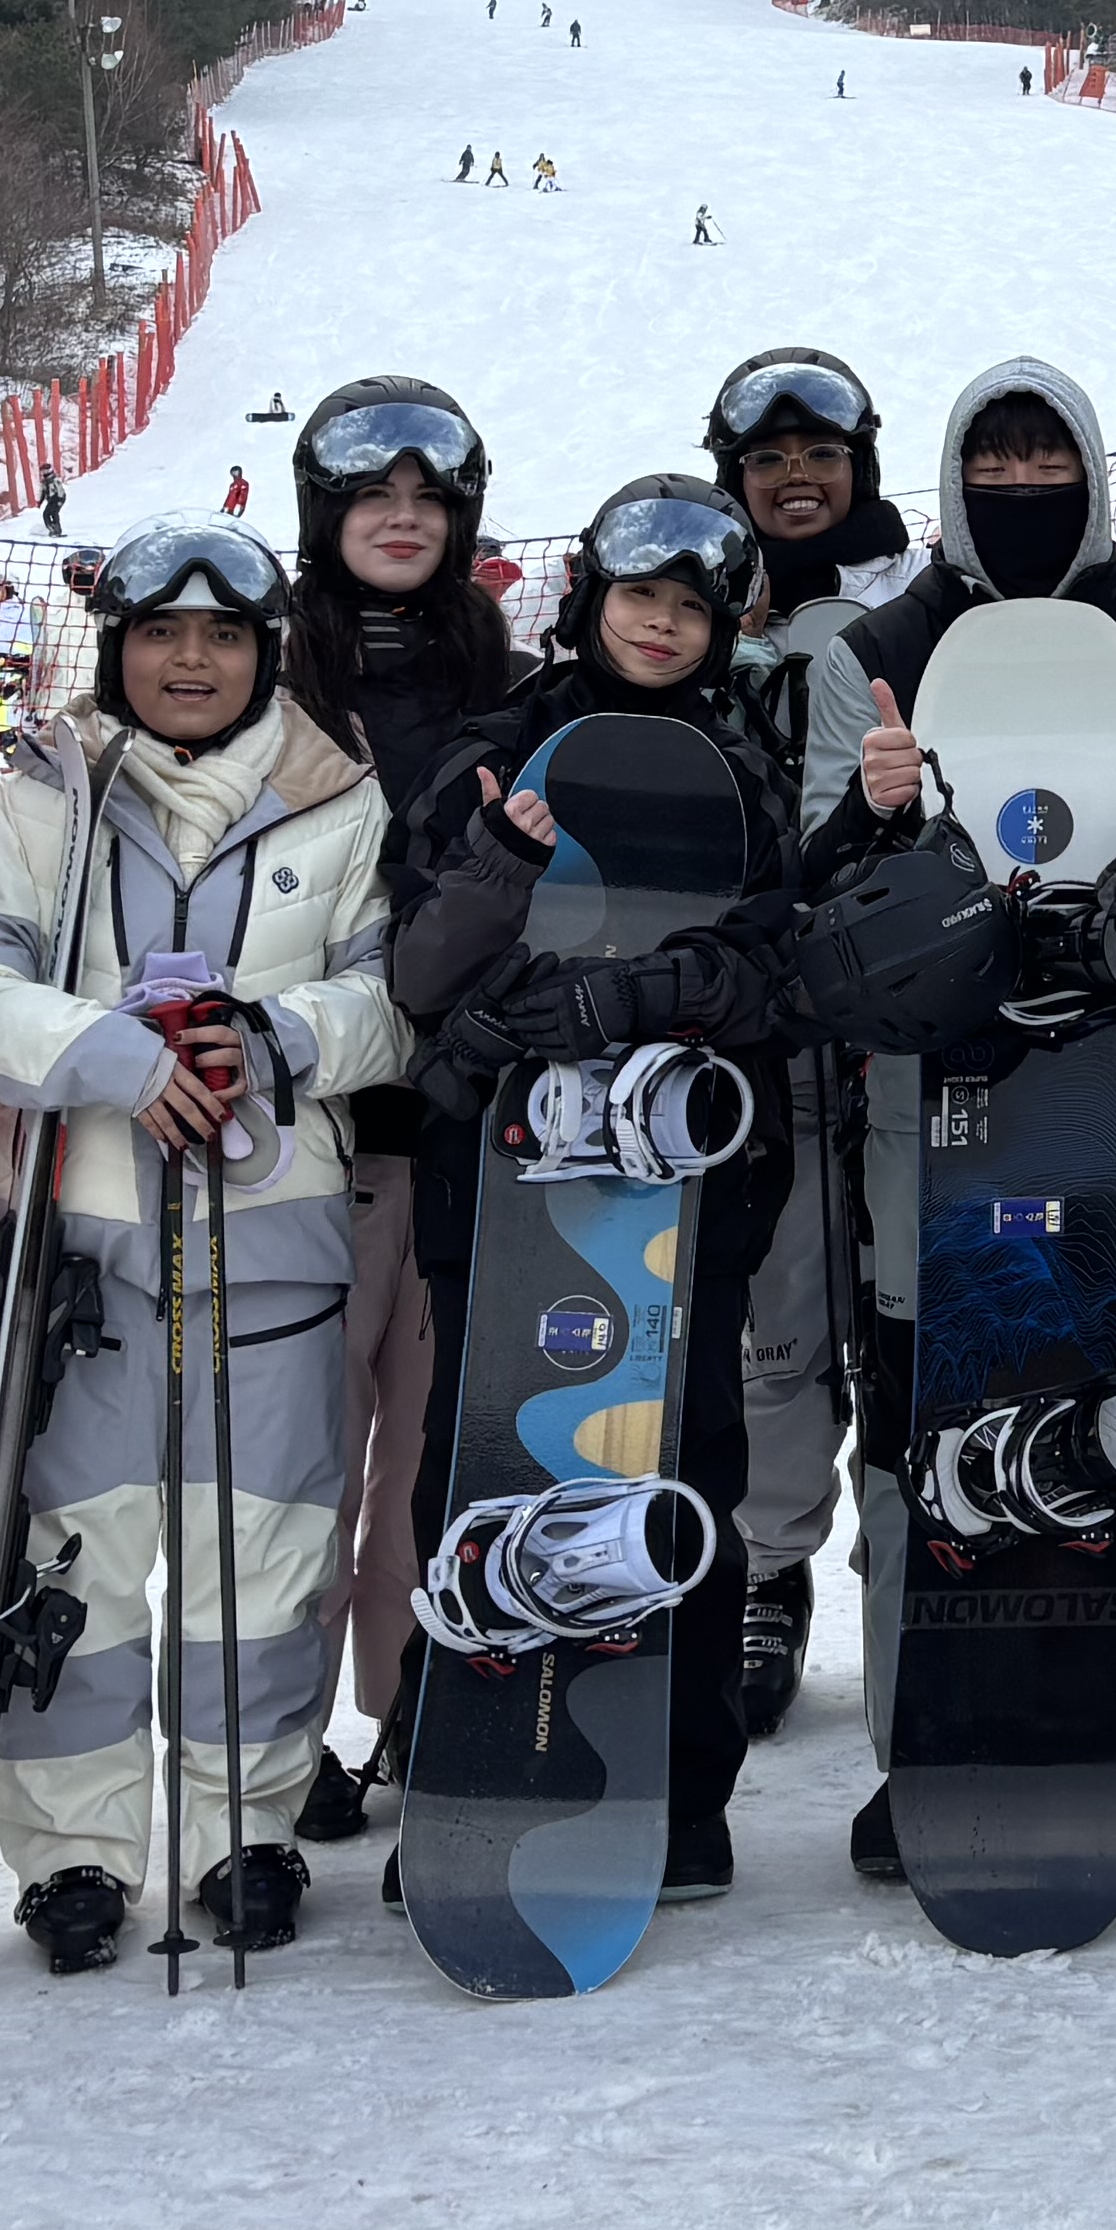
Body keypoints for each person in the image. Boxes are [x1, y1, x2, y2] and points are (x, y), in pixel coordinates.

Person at [0, 519, 401, 1969]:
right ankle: (75, 1850)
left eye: (221, 637)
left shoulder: (337, 794)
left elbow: (386, 1000)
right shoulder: (48, 792)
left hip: (269, 1235)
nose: (189, 662)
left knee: (261, 1564)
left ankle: (240, 1831)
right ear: (120, 649)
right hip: (84, 1238)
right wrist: (107, 1056)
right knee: (78, 1554)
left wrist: (274, 1036)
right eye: (159, 635)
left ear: (266, 651)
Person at [812, 360, 1116, 1880]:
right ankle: (918, 1738)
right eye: (988, 467)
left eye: (1042, 462)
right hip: (928, 1101)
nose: (1016, 491)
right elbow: (813, 900)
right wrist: (867, 813)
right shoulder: (877, 652)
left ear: (1090, 472)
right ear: (948, 481)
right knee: (927, 1412)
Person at [381, 481, 811, 1892]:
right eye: (643, 599)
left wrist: (672, 987)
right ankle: (465, 1758)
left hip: (687, 1182)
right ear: (590, 596)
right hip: (511, 1184)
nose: (664, 627)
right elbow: (420, 971)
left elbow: (781, 965)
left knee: (681, 1463)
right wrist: (506, 878)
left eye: (692, 608)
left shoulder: (746, 766)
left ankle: (676, 1795)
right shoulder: (498, 748)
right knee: (486, 1454)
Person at [271, 378, 522, 1833]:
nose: (404, 523)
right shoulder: (271, 672)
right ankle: (276, 1727)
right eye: (377, 500)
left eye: (428, 503)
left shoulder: (503, 673)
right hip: (313, 1122)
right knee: (303, 1447)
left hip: (452, 1117)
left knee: (431, 1444)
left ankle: (416, 1693)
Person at [702, 345, 920, 1737]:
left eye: (819, 459)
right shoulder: (687, 610)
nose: (795, 481)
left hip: (888, 1000)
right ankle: (767, 1572)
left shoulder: (914, 608)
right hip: (755, 1010)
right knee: (776, 1308)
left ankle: (914, 1558)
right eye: (769, 462)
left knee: (901, 1282)